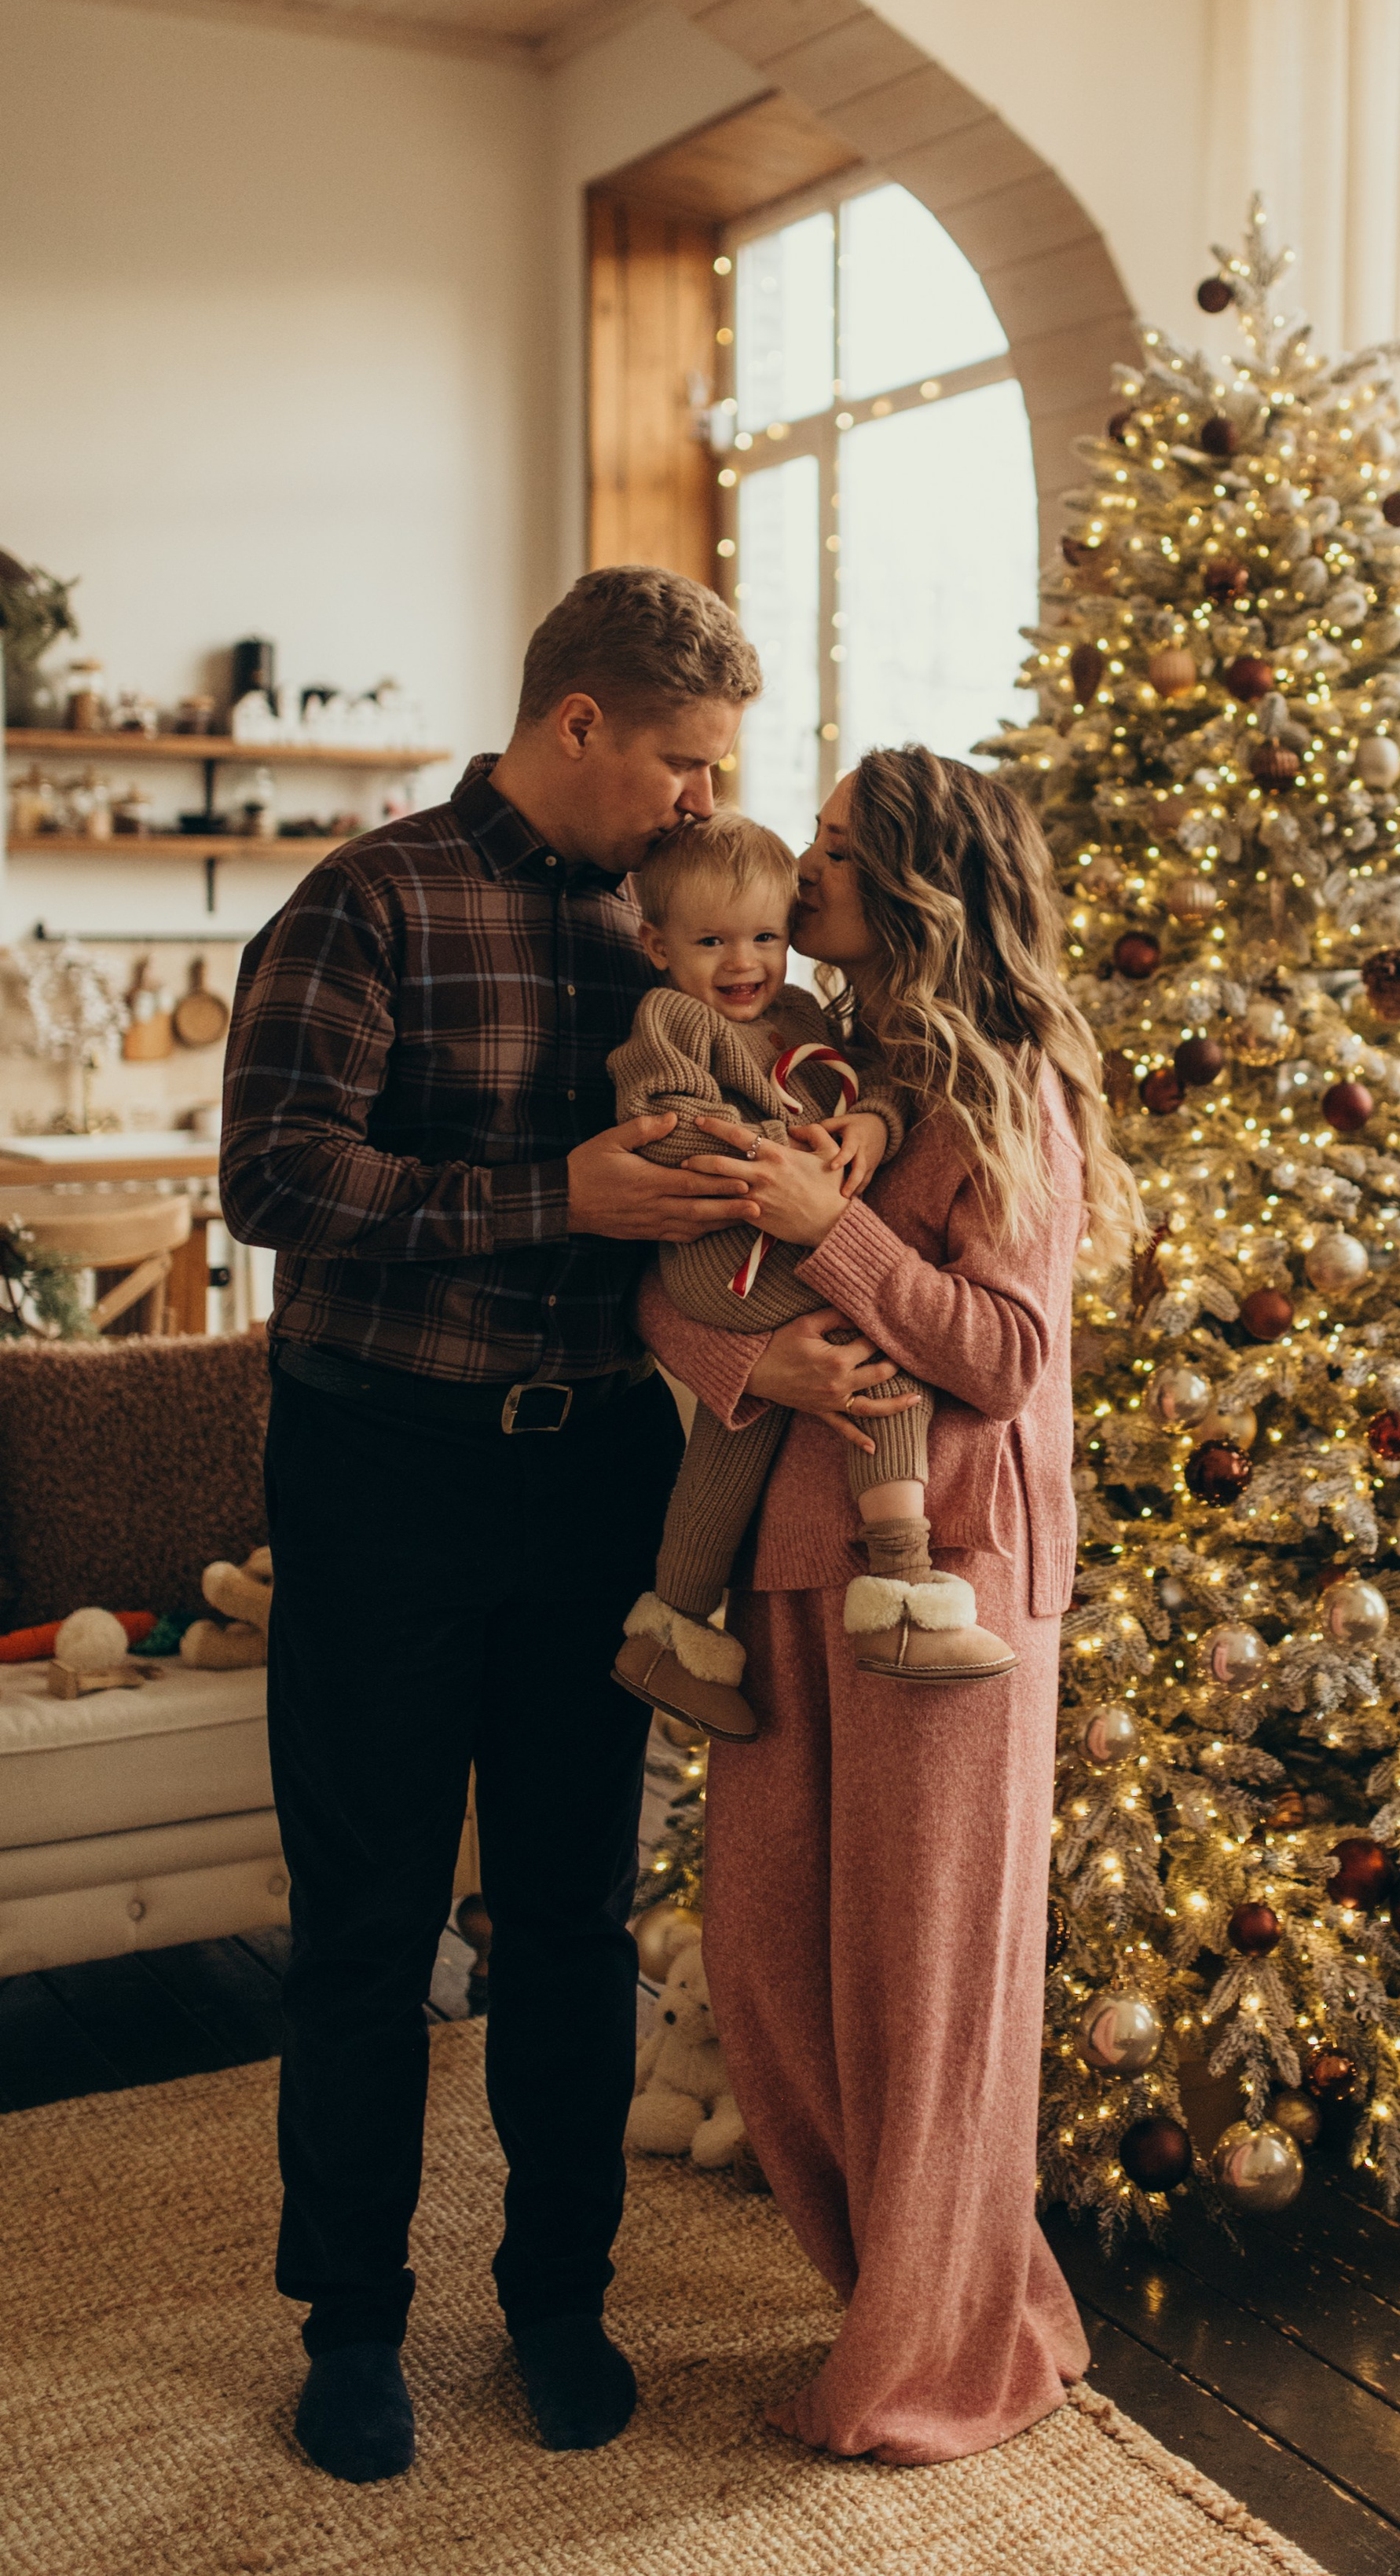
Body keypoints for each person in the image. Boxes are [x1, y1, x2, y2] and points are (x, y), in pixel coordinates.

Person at [220, 567, 772, 2486]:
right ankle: (349, 2324)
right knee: (369, 1926)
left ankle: (557, 2297)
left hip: (599, 1469)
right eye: (685, 762)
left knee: (570, 1918)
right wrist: (557, 1195)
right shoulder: (367, 900)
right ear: (576, 722)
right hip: (380, 1467)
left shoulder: (671, 928)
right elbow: (274, 1178)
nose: (707, 803)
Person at [639, 745, 1134, 2464]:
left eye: (841, 850)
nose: (807, 871)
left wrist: (831, 1228)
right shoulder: (803, 1058)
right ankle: (926, 2294)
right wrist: (750, 1357)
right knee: (771, 1966)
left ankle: (930, 2348)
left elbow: (1004, 1355)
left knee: (925, 1990)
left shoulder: (1009, 1093)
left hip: (952, 1583)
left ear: (925, 882)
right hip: (788, 1561)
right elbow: (676, 1281)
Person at [605, 811, 1017, 1745]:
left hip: (764, 1245)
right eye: (711, 942)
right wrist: (777, 1151)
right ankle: (903, 1588)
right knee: (876, 1355)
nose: (743, 962)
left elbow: (859, 1084)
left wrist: (871, 1121)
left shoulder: (796, 1016)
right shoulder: (673, 1017)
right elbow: (662, 1122)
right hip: (723, 1250)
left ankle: (672, 1628)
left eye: (764, 936)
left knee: (735, 1435)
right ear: (659, 946)